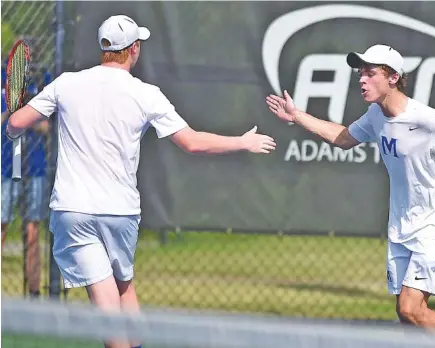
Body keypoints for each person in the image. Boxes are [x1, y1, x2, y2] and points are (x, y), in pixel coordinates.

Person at [6, 14, 276, 348]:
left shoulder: (66, 83)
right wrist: (242, 142)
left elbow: (17, 121)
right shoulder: (147, 94)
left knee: (111, 307)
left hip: (74, 213)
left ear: (104, 47)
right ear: (134, 49)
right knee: (123, 290)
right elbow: (191, 142)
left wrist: (12, 124)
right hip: (120, 214)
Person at [265, 44, 435, 336]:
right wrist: (297, 116)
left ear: (392, 78)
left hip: (434, 224)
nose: (362, 80)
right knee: (405, 315)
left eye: (370, 74)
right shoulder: (374, 115)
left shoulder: (425, 119)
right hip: (401, 224)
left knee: (410, 308)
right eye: (361, 74)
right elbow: (343, 138)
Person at [2, 86, 49, 299]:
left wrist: (27, 115)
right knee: (2, 225)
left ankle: (34, 292)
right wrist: (11, 113)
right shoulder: (4, 77)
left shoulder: (43, 79)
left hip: (35, 166)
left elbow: (48, 126)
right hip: (6, 166)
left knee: (33, 229)